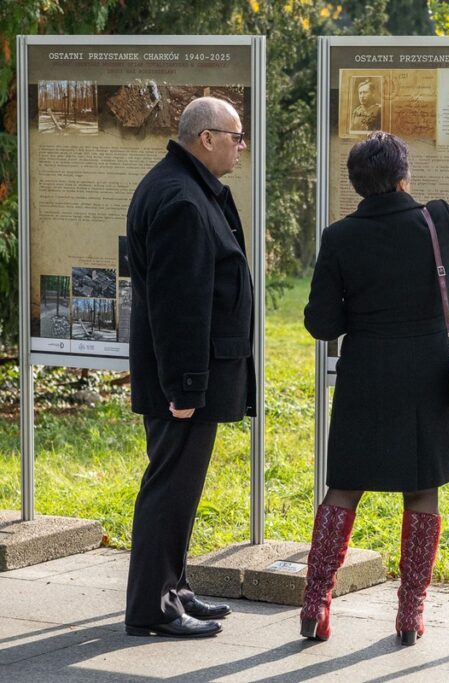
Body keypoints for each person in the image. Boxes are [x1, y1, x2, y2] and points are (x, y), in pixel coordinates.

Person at [301, 132, 449, 645]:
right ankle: (410, 616)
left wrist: (359, 316)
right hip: (428, 374)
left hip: (366, 371)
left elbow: (322, 324)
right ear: (404, 175)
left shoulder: (339, 236)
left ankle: (315, 604)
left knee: (344, 485)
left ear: (357, 183)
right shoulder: (438, 221)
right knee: (421, 489)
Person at [124, 97, 255, 638]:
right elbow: (179, 307)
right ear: (206, 138)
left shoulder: (188, 188)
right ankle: (153, 608)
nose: (240, 146)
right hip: (182, 381)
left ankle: (173, 589)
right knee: (170, 488)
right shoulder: (180, 199)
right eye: (235, 136)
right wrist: (185, 386)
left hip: (189, 377)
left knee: (180, 488)